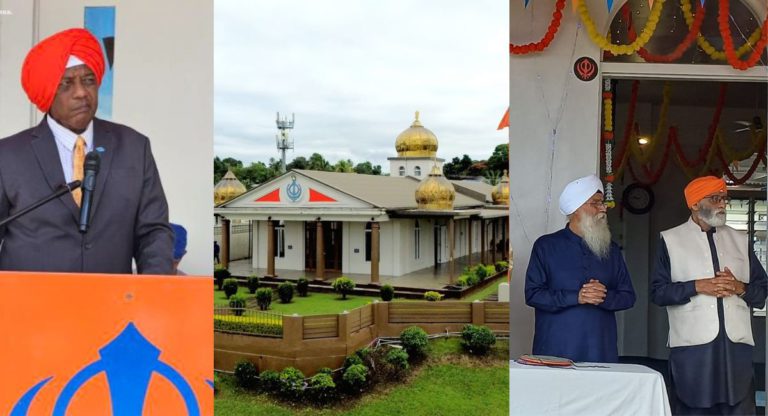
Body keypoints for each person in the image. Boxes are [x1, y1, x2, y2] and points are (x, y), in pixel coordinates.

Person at [0, 28, 173, 274]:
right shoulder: (7, 155)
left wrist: (154, 293)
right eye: (66, 84)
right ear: (47, 93)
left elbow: (153, 231)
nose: (81, 92)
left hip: (111, 304)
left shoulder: (134, 147)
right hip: (30, 306)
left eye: (88, 80)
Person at [651, 176, 767, 415]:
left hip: (736, 348)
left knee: (740, 408)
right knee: (693, 408)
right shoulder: (671, 240)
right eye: (715, 199)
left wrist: (739, 287)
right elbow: (658, 293)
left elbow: (761, 291)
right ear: (694, 204)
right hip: (693, 349)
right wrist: (697, 286)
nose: (722, 204)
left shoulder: (740, 240)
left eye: (724, 198)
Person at [525, 174, 636, 362]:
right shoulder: (546, 246)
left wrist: (603, 296)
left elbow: (628, 297)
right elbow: (533, 294)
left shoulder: (611, 250)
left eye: (602, 203)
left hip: (601, 350)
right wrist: (577, 297)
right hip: (555, 348)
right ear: (575, 208)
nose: (603, 209)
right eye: (596, 203)